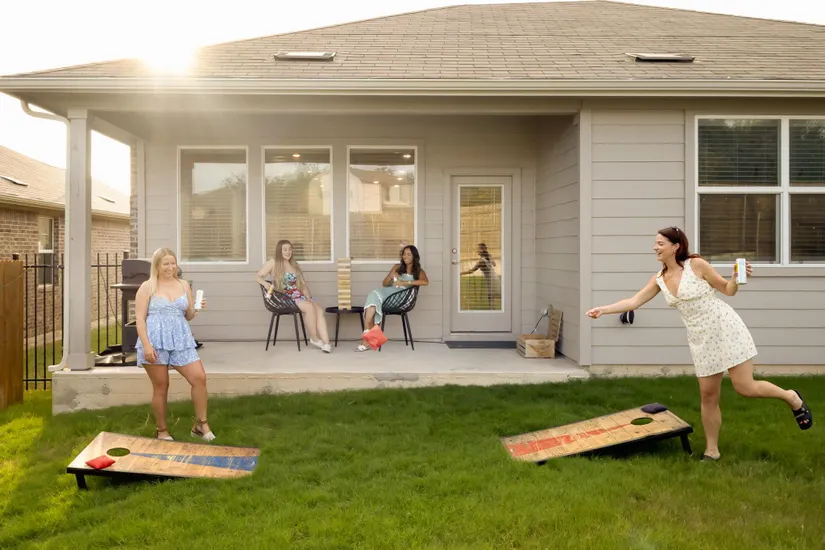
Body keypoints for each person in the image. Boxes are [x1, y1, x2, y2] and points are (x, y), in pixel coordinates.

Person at [585, 226, 813, 461]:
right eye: (655, 243)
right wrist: (603, 310)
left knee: (745, 387)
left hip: (725, 328)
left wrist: (735, 280)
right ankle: (712, 451)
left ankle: (791, 398)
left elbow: (727, 290)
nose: (655, 248)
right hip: (700, 339)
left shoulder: (696, 265)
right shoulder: (659, 278)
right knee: (708, 396)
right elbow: (634, 301)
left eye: (660, 243)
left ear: (676, 246)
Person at [135, 247, 215, 442]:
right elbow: (139, 318)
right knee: (161, 386)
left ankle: (201, 424)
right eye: (166, 264)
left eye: (173, 263)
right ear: (157, 265)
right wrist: (146, 345)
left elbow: (187, 315)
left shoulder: (183, 285)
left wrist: (196, 309)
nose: (170, 267)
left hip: (181, 339)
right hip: (155, 341)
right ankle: (162, 431)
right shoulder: (147, 287)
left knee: (199, 378)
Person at [256, 240, 332, 353]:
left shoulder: (294, 264)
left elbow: (302, 285)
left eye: (290, 249)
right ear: (279, 251)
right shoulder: (273, 262)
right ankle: (314, 338)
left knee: (319, 310)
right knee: (309, 307)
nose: (288, 252)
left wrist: (308, 296)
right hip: (285, 297)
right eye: (285, 250)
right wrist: (265, 284)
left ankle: (326, 343)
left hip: (298, 295)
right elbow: (258, 276)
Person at [356, 244, 429, 352]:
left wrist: (404, 282)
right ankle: (368, 336)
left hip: (400, 299)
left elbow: (425, 282)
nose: (405, 256)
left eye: (409, 254)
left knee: (374, 299)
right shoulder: (397, 267)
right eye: (404, 254)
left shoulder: (418, 271)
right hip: (389, 294)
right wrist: (391, 276)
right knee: (372, 301)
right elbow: (385, 284)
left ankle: (368, 337)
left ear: (414, 256)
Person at [460, 243, 500, 308]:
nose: (477, 250)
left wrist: (461, 273)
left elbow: (471, 271)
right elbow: (494, 264)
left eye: (478, 249)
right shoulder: (488, 256)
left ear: (482, 250)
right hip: (494, 277)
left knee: (492, 295)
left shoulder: (481, 261)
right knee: (492, 295)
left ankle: (492, 308)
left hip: (490, 279)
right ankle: (492, 308)